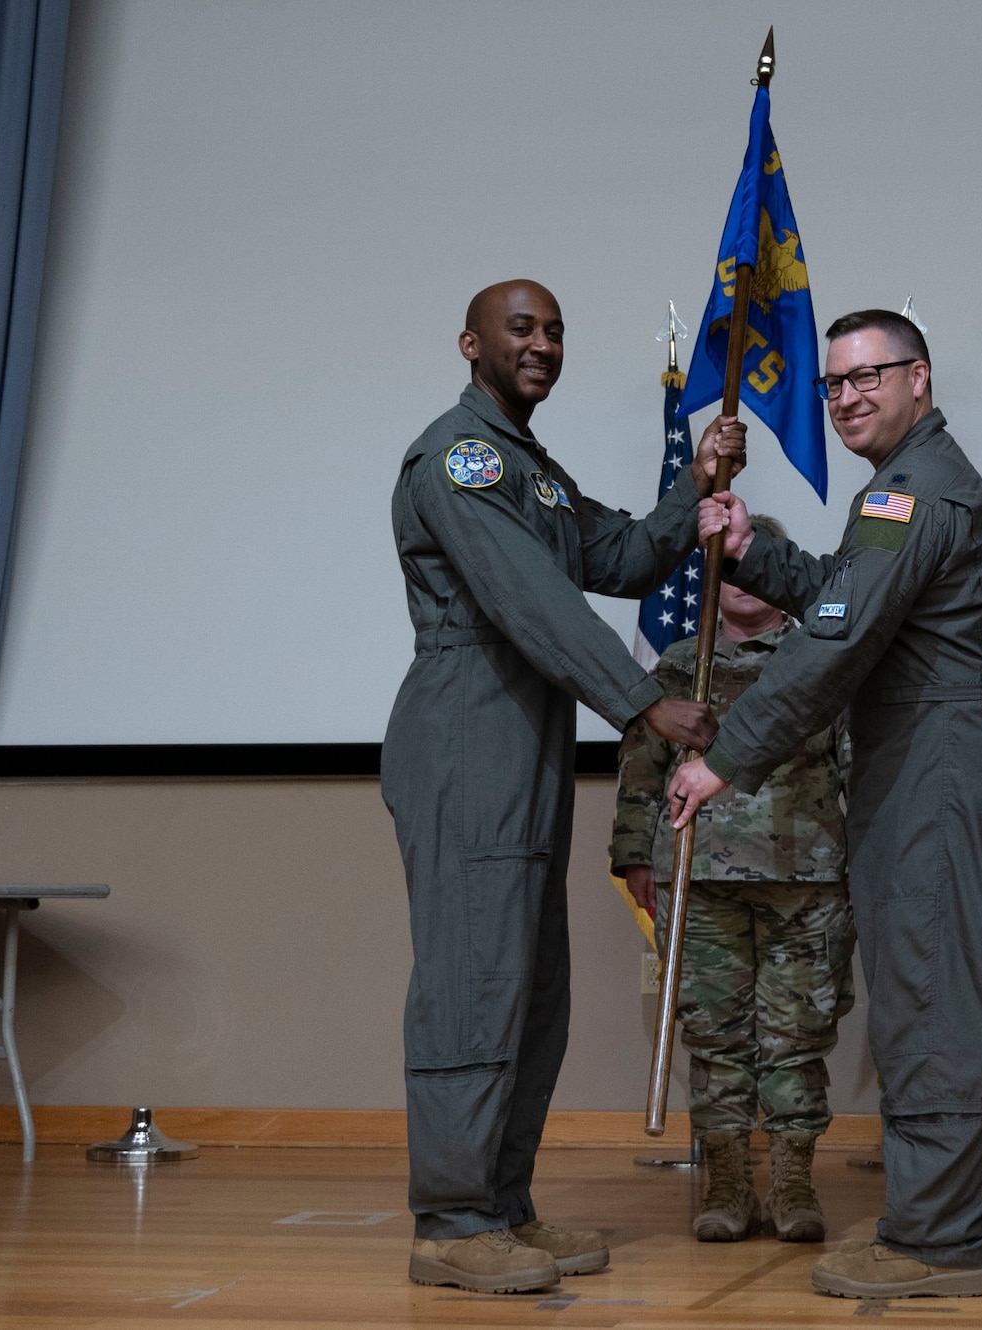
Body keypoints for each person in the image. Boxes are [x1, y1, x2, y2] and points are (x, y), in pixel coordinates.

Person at [665, 310, 982, 1300]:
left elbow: (834, 641)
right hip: (926, 767)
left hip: (941, 771)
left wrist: (725, 757)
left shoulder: (916, 491)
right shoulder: (901, 490)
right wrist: (753, 551)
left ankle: (943, 1241)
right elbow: (846, 595)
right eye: (832, 383)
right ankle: (933, 1223)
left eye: (867, 376)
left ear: (920, 377)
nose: (845, 397)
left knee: (933, 1014)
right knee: (921, 1005)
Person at [383, 279, 743, 1294]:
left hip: (521, 735)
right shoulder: (461, 459)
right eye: (521, 328)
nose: (542, 344)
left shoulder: (528, 470)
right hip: (467, 732)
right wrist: (640, 702)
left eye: (554, 331)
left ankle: (499, 1205)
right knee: (473, 982)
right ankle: (452, 1221)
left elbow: (618, 556)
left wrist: (697, 479)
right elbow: (528, 598)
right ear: (470, 344)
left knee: (529, 989)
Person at [610, 514, 855, 1245]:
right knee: (714, 1038)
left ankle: (792, 1182)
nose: (743, 583)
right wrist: (634, 857)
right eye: (728, 569)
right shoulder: (680, 664)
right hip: (698, 875)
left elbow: (857, 762)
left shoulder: (823, 657)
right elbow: (641, 773)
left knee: (796, 1037)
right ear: (711, 580)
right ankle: (725, 1182)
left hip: (805, 877)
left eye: (753, 567)